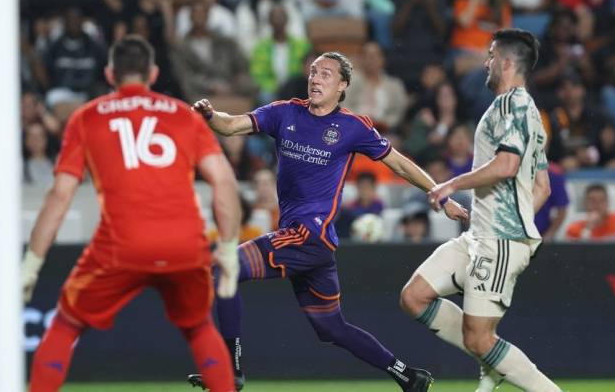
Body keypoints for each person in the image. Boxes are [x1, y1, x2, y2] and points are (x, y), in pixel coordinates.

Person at [187, 51, 468, 392]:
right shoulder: (284, 112)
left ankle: (231, 373)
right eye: (314, 72)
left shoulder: (352, 127)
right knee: (331, 328)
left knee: (224, 268)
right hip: (307, 242)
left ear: (343, 86)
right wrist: (209, 114)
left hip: (309, 235)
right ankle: (408, 376)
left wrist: (443, 195)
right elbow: (230, 126)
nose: (316, 78)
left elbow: (400, 164)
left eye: (326, 74)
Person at [21, 35, 240, 392]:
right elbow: (225, 183)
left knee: (65, 324)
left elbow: (60, 195)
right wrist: (228, 250)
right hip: (184, 245)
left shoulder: (85, 118)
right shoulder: (185, 116)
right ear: (153, 73)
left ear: (110, 74)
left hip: (120, 246)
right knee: (199, 327)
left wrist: (32, 263)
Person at [400, 29, 562, 392]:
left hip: (499, 241)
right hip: (481, 235)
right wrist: (515, 218)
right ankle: (494, 362)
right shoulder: (523, 112)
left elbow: (506, 165)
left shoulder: (514, 106)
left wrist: (452, 184)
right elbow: (542, 187)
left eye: (490, 56)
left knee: (479, 339)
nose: (485, 63)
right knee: (415, 296)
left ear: (506, 63)